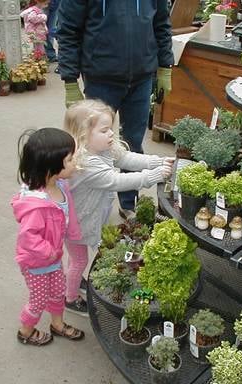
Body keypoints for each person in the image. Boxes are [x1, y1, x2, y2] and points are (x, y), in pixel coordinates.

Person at [56, 0, 174, 219]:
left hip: (141, 78)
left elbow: (161, 24)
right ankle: (90, 207)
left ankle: (128, 204)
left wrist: (165, 66)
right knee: (95, 145)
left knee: (133, 142)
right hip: (100, 76)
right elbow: (68, 30)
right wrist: (70, 80)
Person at [62, 99, 174, 314]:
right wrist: (153, 176)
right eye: (104, 130)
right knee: (79, 260)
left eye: (111, 128)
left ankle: (74, 282)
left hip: (92, 215)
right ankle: (70, 297)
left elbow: (127, 158)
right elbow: (117, 181)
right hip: (78, 222)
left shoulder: (102, 148)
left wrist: (157, 162)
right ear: (84, 135)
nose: (111, 134)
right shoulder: (86, 163)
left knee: (81, 257)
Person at [12, 127, 85, 346]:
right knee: (38, 299)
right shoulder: (36, 205)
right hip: (36, 263)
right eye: (71, 159)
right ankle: (25, 331)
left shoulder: (60, 184)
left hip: (53, 259)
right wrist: (50, 252)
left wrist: (72, 235)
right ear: (52, 166)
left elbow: (68, 211)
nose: (75, 163)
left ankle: (57, 324)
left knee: (57, 292)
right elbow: (27, 238)